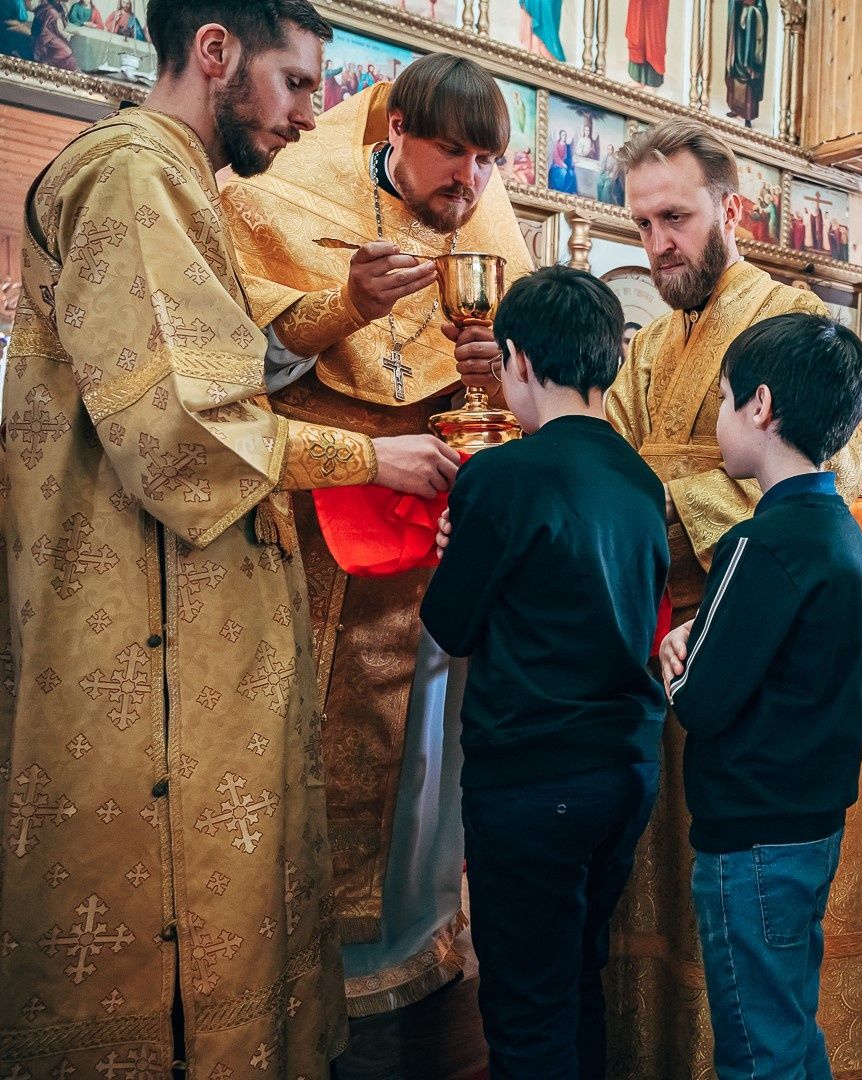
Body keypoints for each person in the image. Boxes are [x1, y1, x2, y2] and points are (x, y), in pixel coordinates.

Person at [0, 1, 462, 1075]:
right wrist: (367, 459)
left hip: (188, 615)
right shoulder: (131, 173)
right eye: (297, 83)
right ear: (216, 52)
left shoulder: (175, 180)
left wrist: (340, 305)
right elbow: (176, 426)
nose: (310, 116)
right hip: (140, 628)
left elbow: (231, 363)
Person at [220, 52, 532, 1024]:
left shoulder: (485, 221)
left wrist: (498, 368)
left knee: (416, 737)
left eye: (487, 160)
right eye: (452, 153)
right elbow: (235, 363)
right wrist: (346, 303)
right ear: (395, 130)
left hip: (422, 534)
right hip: (301, 521)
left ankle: (396, 933)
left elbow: (520, 392)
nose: (471, 182)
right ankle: (270, 934)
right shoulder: (285, 193)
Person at [604, 117, 862, 1080]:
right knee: (702, 905)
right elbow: (617, 462)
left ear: (731, 207)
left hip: (749, 661)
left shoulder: (788, 320)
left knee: (759, 964)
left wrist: (663, 487)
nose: (657, 244)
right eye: (641, 225)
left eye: (674, 217)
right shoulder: (652, 343)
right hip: (664, 633)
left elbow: (832, 466)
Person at [421, 266, 669, 1078]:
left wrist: (453, 556)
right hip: (625, 767)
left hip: (533, 773)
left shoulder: (501, 473)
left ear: (517, 361)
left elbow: (451, 625)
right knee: (575, 978)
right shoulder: (641, 481)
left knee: (525, 1008)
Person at [659, 312, 862, 1079]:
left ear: (758, 405)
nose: (718, 420)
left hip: (751, 836)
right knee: (787, 1023)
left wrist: (673, 654)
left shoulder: (762, 539)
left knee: (756, 1049)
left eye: (723, 400)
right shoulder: (835, 526)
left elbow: (700, 702)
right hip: (807, 823)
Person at [724, 0, 767, 128]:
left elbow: (761, 10)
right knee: (735, 71)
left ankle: (748, 116)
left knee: (748, 77)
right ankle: (735, 108)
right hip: (738, 34)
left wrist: (751, 11)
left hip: (751, 39)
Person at [32, 0, 76, 70]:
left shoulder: (47, 8)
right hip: (48, 48)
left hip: (48, 45)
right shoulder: (51, 12)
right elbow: (59, 31)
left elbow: (59, 29)